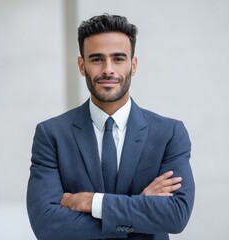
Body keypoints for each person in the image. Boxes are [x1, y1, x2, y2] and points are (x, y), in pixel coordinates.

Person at [27, 14, 195, 240]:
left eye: (118, 59)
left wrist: (92, 202)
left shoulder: (169, 134)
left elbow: (176, 215)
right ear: (81, 65)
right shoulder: (51, 135)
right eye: (96, 59)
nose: (108, 70)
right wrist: (140, 209)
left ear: (133, 65)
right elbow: (46, 224)